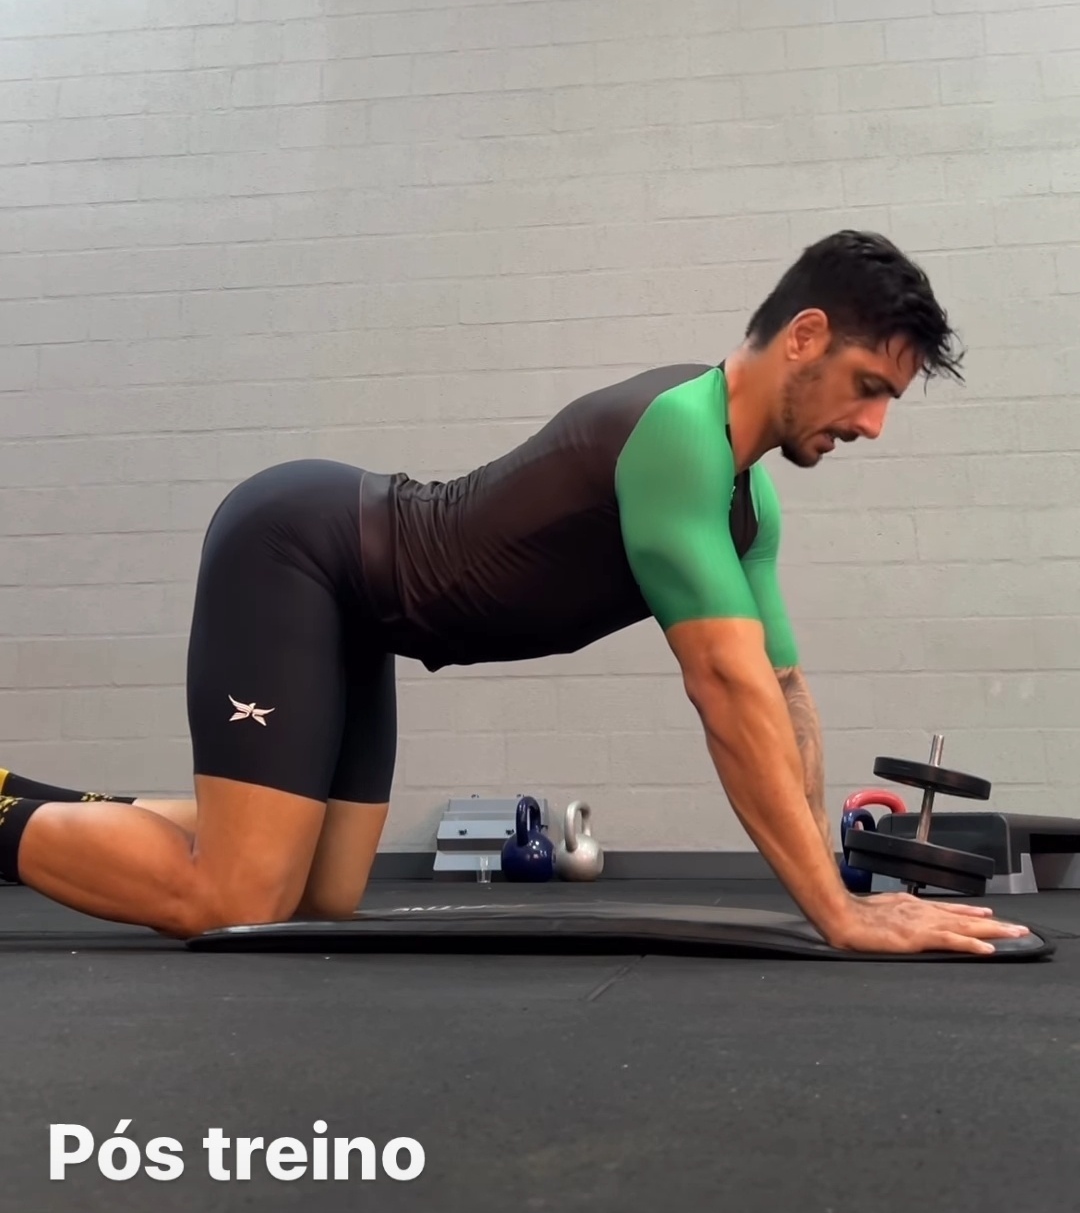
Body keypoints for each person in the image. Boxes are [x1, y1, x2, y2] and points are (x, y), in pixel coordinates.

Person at [0, 228, 1028, 956]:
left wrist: (831, 894)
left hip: (363, 609)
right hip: (301, 554)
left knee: (321, 894)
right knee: (236, 901)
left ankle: (40, 802)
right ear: (803, 337)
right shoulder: (681, 437)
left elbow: (782, 693)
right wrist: (837, 916)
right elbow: (726, 690)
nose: (873, 425)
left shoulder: (747, 496)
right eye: (869, 387)